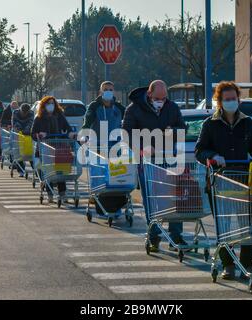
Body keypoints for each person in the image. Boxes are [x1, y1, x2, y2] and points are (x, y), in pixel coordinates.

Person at [195, 81, 252, 280]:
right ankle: (228, 264)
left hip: (243, 181)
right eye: (227, 99)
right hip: (219, 181)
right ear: (220, 102)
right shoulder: (210, 124)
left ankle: (248, 263)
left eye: (234, 99)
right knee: (224, 225)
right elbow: (200, 151)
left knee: (246, 225)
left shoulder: (247, 122)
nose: (232, 102)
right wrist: (214, 156)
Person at [122, 80, 187, 253]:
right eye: (158, 98)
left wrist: (172, 131)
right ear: (149, 95)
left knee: (173, 196)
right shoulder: (134, 109)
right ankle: (153, 236)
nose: (161, 101)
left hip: (169, 159)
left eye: (164, 98)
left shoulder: (171, 107)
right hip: (147, 161)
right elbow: (126, 133)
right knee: (151, 199)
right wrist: (141, 148)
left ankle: (176, 235)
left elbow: (182, 128)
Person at [82, 81, 127, 215]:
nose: (108, 91)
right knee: (100, 177)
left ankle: (116, 206)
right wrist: (84, 134)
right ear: (100, 92)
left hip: (116, 148)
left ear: (114, 92)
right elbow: (88, 121)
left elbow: (130, 120)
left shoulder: (119, 107)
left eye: (110, 89)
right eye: (105, 89)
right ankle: (98, 202)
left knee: (116, 177)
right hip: (98, 148)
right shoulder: (94, 106)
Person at [31, 96, 76, 203]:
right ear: (43, 105)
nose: (50, 105)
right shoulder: (39, 118)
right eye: (48, 103)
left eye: (52, 103)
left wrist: (71, 134)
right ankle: (50, 194)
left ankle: (62, 194)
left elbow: (68, 128)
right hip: (44, 148)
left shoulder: (60, 116)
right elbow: (32, 134)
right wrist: (39, 134)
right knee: (48, 171)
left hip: (59, 147)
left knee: (60, 171)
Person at [12, 103, 35, 177]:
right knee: (19, 153)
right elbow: (14, 122)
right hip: (18, 134)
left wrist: (26, 131)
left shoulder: (31, 113)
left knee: (30, 153)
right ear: (20, 110)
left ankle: (36, 171)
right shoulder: (15, 112)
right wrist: (19, 130)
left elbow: (31, 123)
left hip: (28, 135)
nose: (24, 114)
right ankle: (21, 170)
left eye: (26, 112)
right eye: (23, 112)